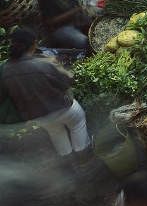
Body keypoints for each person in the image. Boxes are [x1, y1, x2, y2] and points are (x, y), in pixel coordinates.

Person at [0, 27, 91, 165]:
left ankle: (73, 166)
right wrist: (57, 63)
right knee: (78, 124)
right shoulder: (44, 62)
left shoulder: (6, 70)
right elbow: (68, 80)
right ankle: (84, 162)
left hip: (38, 116)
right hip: (62, 108)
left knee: (57, 134)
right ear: (34, 43)